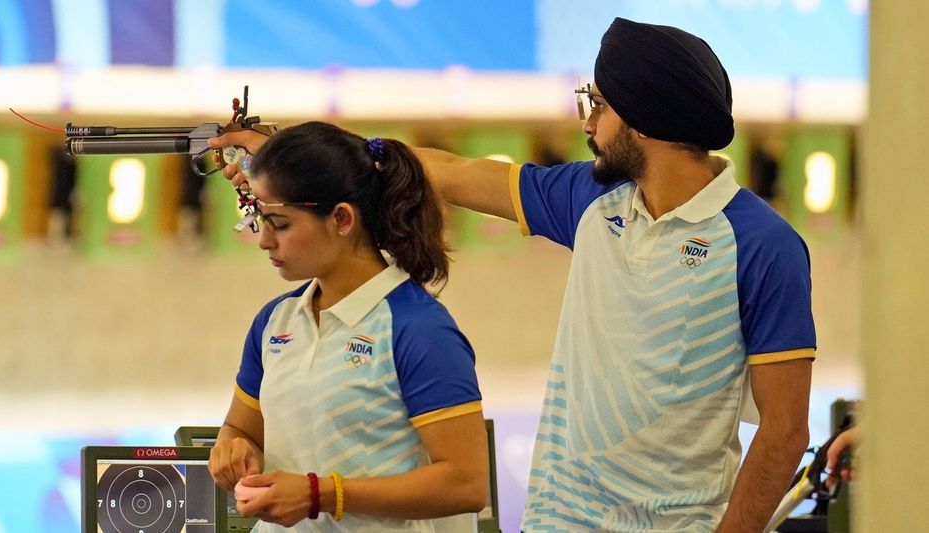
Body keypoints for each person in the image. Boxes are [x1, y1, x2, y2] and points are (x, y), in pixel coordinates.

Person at [211, 17, 816, 533]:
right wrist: (293, 153)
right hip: (556, 518)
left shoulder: (762, 246)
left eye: (599, 106)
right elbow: (451, 173)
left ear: (643, 117)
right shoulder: (592, 200)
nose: (587, 124)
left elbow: (786, 431)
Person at [207, 121, 489, 532]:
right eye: (259, 220)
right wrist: (231, 449)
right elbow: (241, 429)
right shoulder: (275, 320)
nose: (264, 240)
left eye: (279, 223)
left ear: (341, 219)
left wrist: (320, 494)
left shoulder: (418, 328)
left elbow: (465, 484)